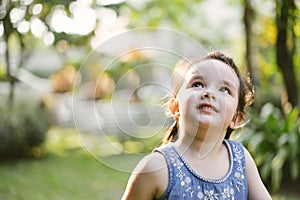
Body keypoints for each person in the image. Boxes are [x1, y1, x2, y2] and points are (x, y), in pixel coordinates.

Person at [121, 52, 272, 200]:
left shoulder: (241, 160)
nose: (209, 93)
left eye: (224, 89)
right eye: (198, 84)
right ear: (175, 107)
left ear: (236, 118)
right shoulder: (155, 168)